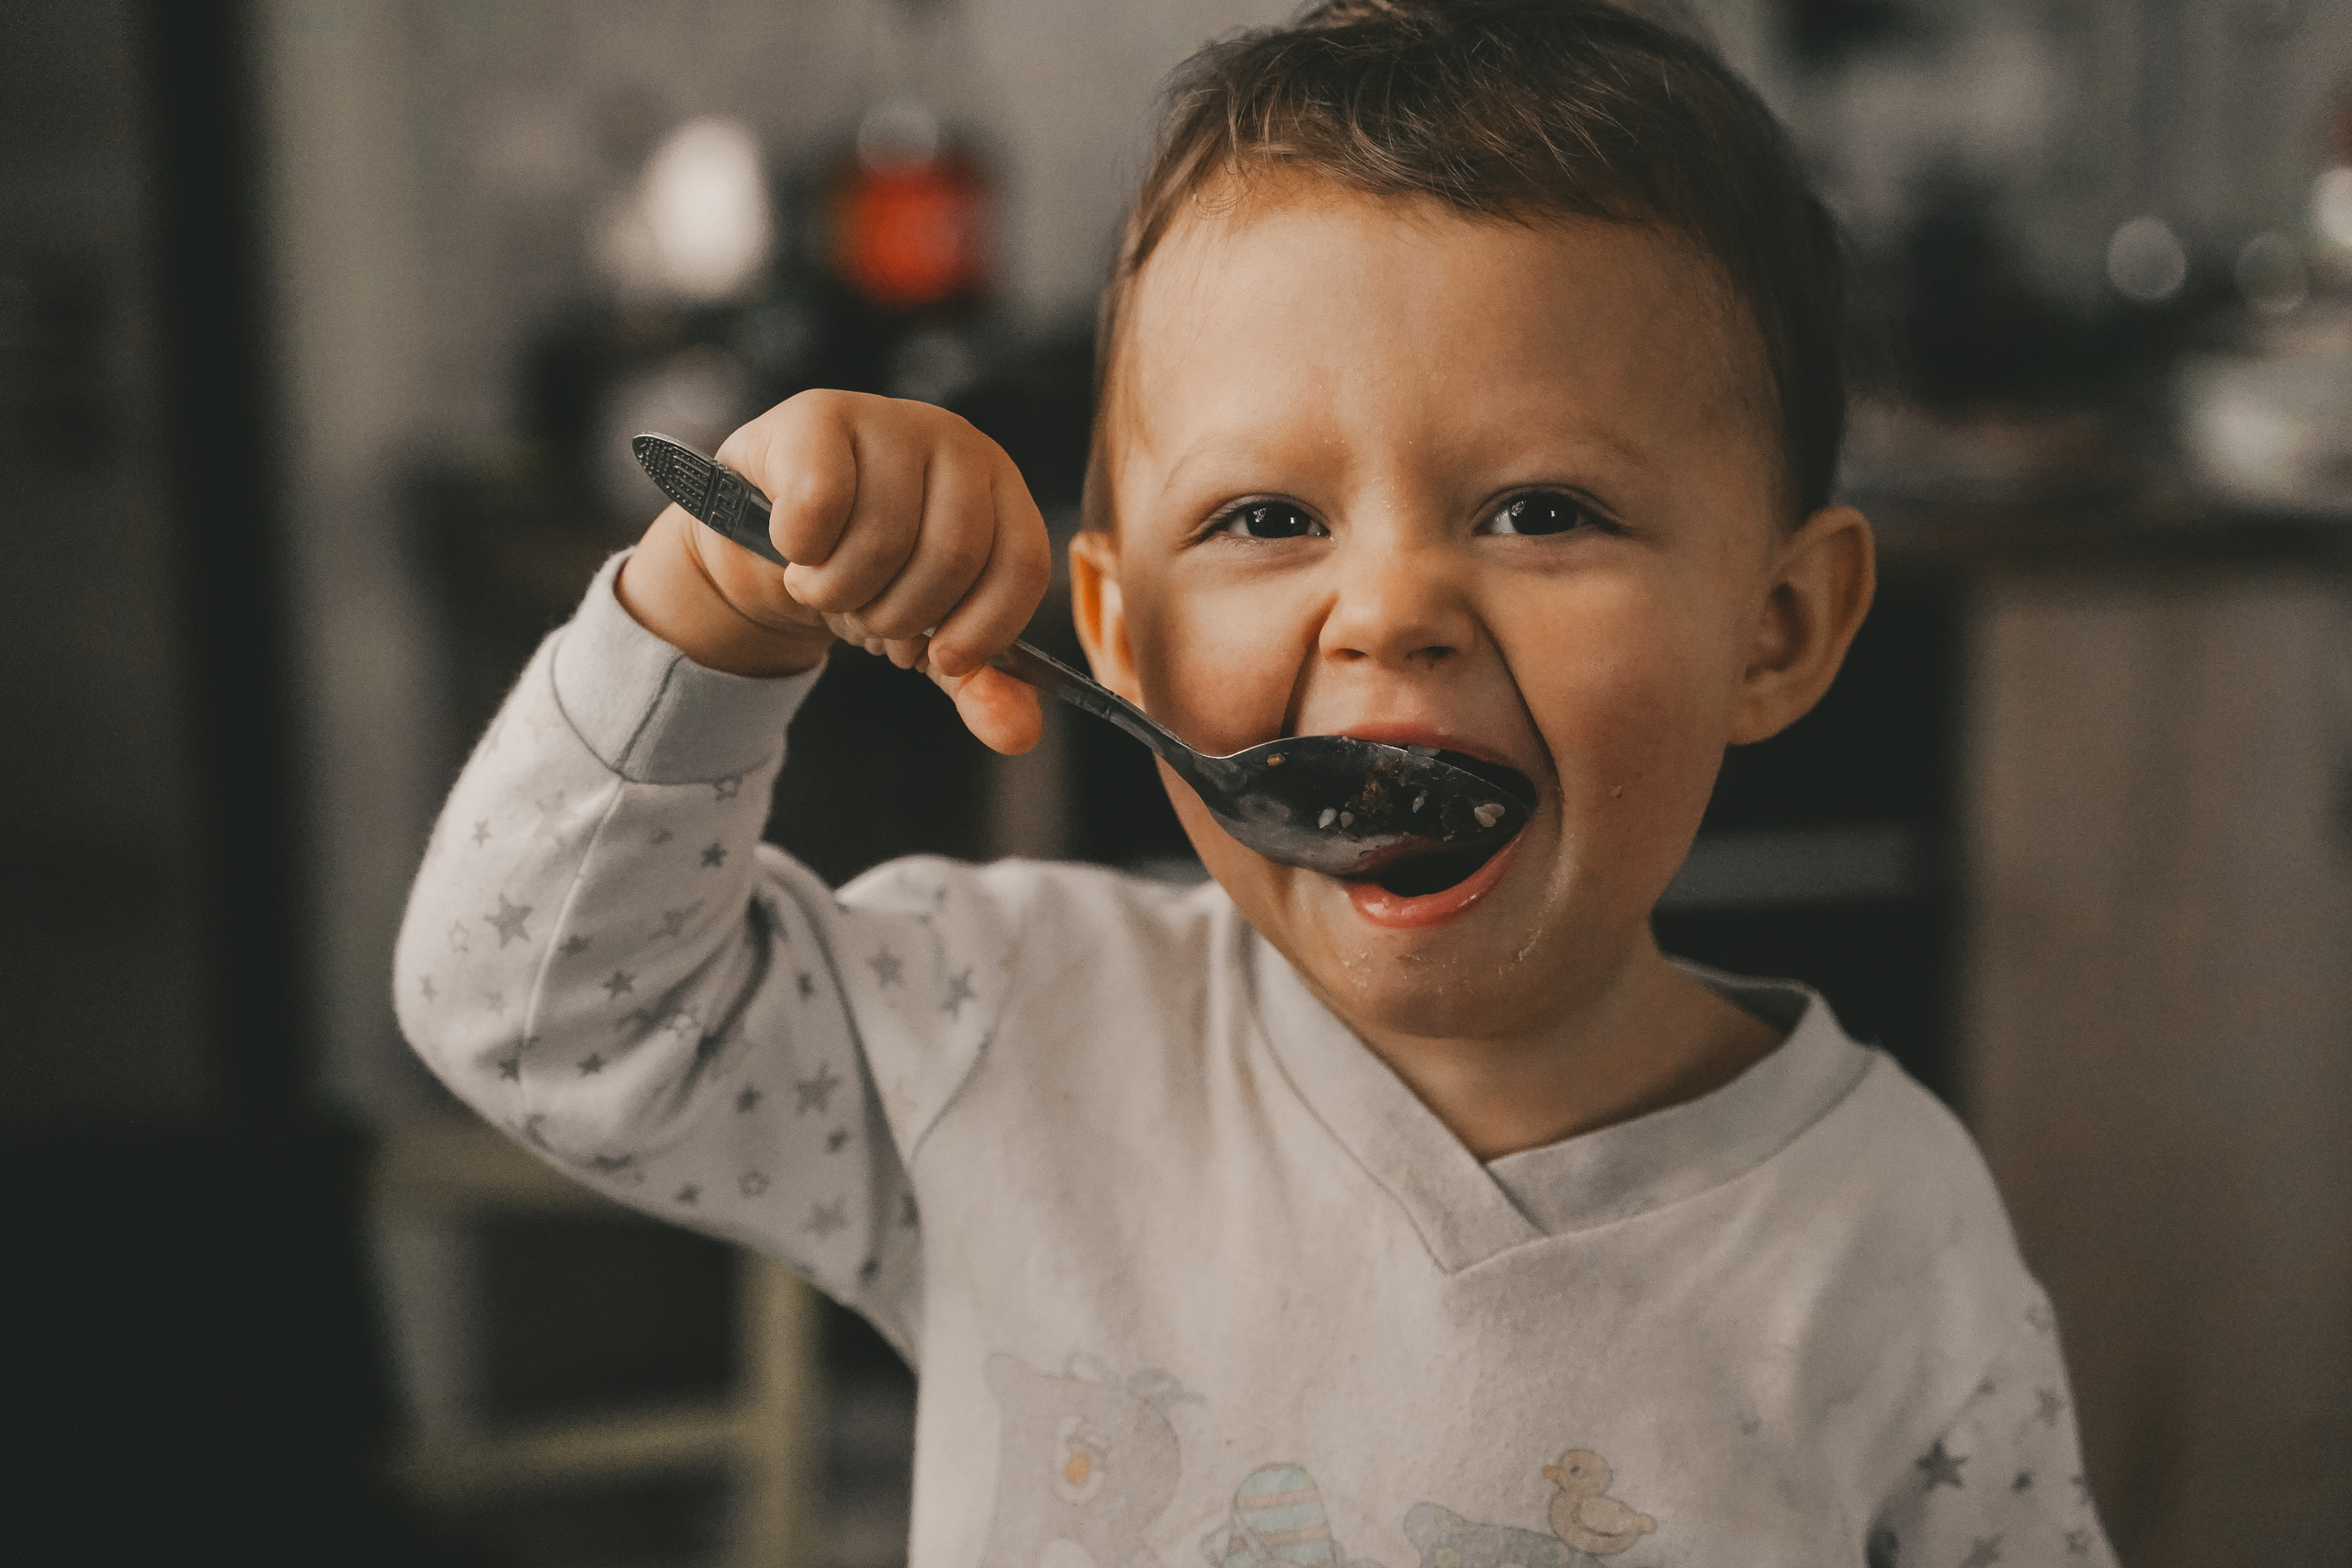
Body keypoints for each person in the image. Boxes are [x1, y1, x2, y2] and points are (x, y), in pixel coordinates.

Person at [396, 3, 2116, 1562]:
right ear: (1118, 633)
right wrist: (713, 615)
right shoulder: (1007, 1037)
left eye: (1541, 511)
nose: (1388, 610)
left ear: (1779, 625)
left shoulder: (1890, 1240)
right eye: (1268, 520)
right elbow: (542, 1019)